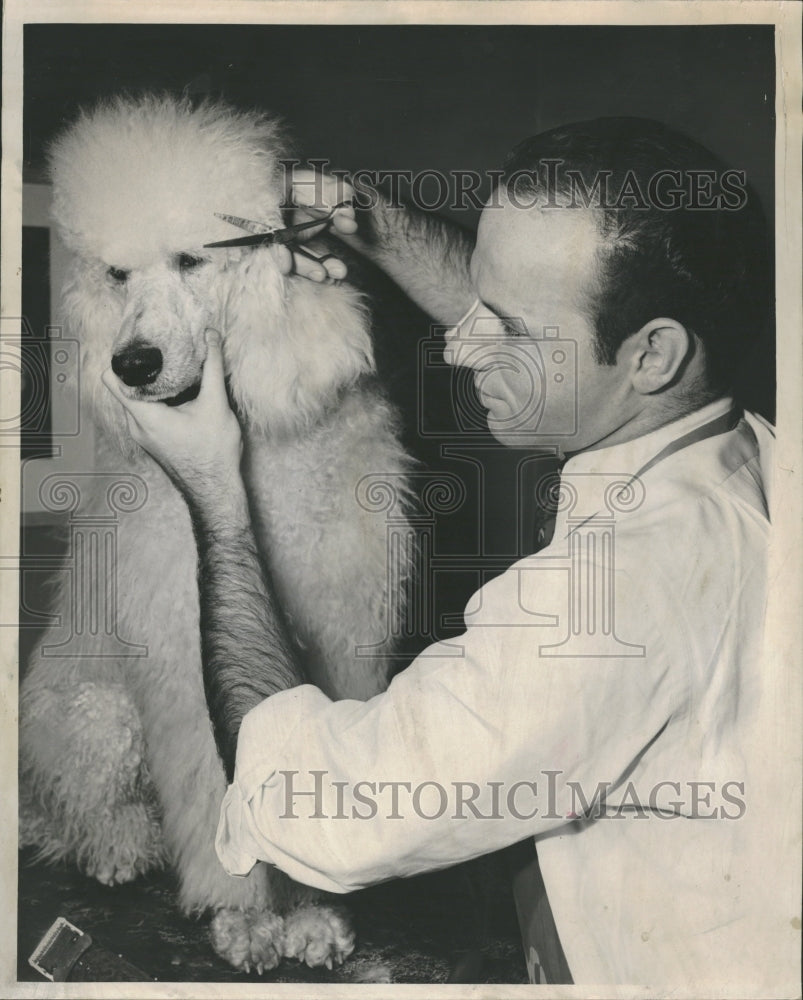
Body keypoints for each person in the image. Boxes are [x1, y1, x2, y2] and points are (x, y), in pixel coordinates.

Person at [103, 118, 786, 987]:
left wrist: (218, 504)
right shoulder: (738, 451)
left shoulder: (609, 601)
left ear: (650, 353)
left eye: (508, 329)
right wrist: (365, 219)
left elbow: (313, 807)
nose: (465, 346)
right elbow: (510, 307)